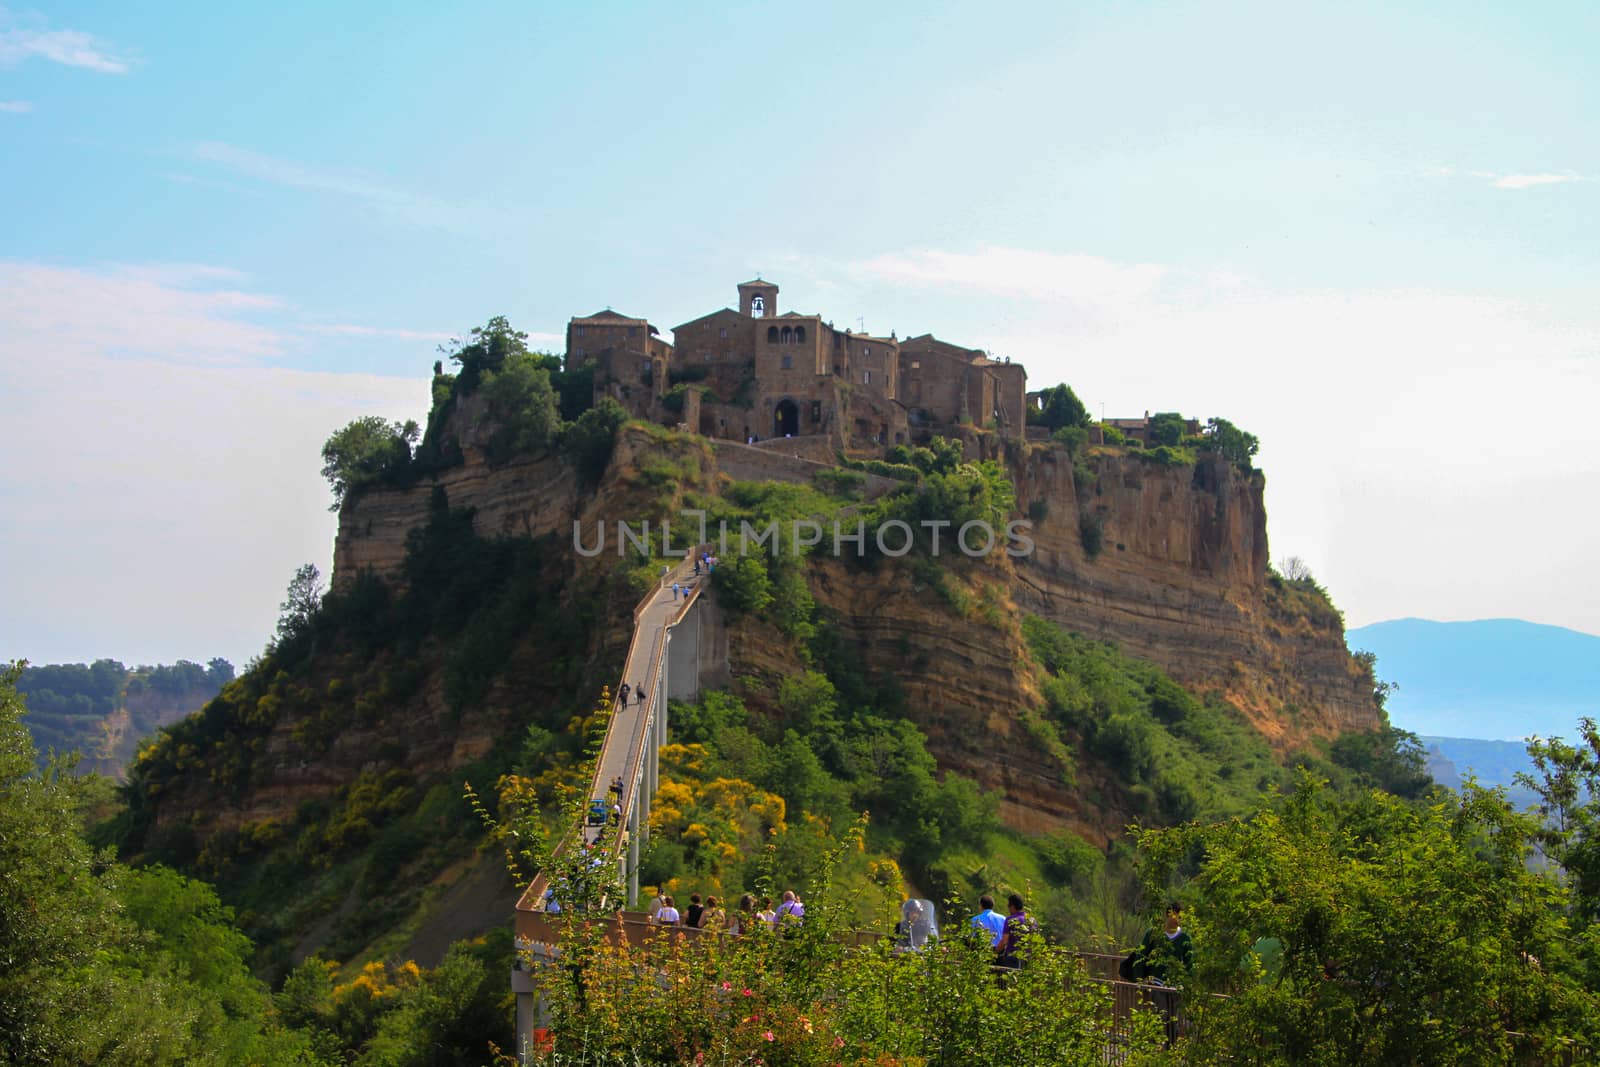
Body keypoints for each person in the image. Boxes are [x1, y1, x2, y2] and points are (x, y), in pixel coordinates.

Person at [1131, 903, 1193, 986]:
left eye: (1180, 917)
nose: (1177, 920)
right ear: (1167, 915)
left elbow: (1188, 963)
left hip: (1175, 985)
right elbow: (1141, 955)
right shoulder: (1153, 933)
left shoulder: (1185, 938)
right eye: (1174, 916)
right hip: (1155, 982)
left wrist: (1187, 983)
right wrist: (1138, 979)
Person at [994, 892, 1037, 971]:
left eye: (1008, 905)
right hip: (1028, 957)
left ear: (1013, 906)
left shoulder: (1011, 919)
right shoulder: (1032, 920)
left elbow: (1004, 941)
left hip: (1012, 958)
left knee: (1007, 982)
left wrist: (994, 953)